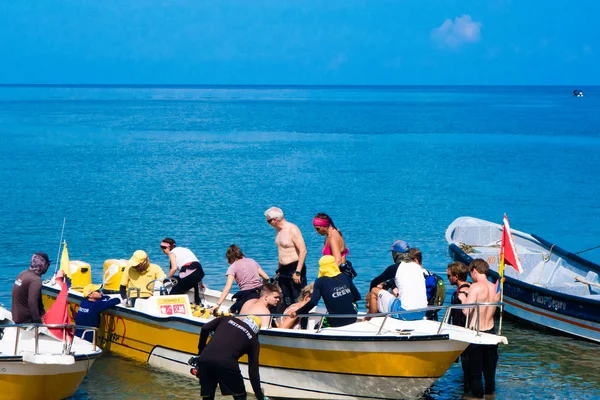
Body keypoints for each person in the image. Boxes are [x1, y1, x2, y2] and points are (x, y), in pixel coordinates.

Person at [196, 314, 265, 400]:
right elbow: (253, 371)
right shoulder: (253, 340)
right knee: (240, 396)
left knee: (207, 396)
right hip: (227, 364)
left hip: (205, 359)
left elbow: (205, 328)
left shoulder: (227, 319)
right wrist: (259, 396)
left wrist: (200, 353)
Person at [462, 259, 499, 397]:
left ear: (474, 271)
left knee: (475, 375)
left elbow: (466, 311)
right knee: (490, 376)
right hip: (491, 332)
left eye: (470, 273)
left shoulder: (476, 287)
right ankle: (490, 397)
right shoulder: (495, 287)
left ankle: (477, 398)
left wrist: (463, 299)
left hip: (476, 333)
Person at [291, 255, 361, 328]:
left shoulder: (320, 281)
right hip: (352, 318)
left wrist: (297, 312)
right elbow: (357, 296)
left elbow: (313, 302)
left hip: (336, 322)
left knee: (316, 327)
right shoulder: (345, 276)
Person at [369, 240, 427, 320]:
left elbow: (374, 282)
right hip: (422, 312)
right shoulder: (418, 268)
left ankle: (370, 319)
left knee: (374, 290)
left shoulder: (395, 268)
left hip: (404, 313)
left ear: (396, 254)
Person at [265, 207, 307, 311]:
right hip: (283, 269)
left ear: (275, 219)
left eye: (268, 221)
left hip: (294, 267)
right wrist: (278, 269)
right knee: (286, 299)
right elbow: (281, 251)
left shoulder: (292, 229)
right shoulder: (278, 230)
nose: (268, 223)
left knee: (298, 298)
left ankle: (302, 324)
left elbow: (303, 251)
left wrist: (298, 271)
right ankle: (288, 323)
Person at [212, 245, 270, 314]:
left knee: (232, 311)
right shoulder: (252, 261)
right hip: (260, 292)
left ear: (231, 258)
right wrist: (263, 288)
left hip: (246, 294)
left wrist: (218, 304)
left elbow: (228, 287)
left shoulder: (233, 267)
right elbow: (266, 277)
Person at [446, 261, 472, 394]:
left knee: (468, 369)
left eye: (449, 276)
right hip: (461, 332)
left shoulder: (465, 292)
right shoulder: (469, 288)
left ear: (456, 276)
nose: (448, 278)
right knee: (466, 370)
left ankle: (468, 394)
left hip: (464, 334)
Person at [160, 238, 205, 305]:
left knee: (173, 292)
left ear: (166, 248)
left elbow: (174, 268)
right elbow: (196, 267)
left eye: (162, 249)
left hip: (188, 270)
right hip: (199, 271)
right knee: (193, 282)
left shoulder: (171, 253)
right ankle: (197, 302)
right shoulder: (185, 250)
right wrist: (200, 284)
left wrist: (165, 279)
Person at [312, 212, 357, 279]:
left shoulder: (333, 238)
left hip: (337, 274)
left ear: (326, 226)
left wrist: (327, 279)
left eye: (318, 229)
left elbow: (338, 260)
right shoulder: (331, 233)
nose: (316, 231)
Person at [11, 252, 51, 323]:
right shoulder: (36, 280)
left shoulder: (23, 273)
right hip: (26, 321)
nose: (48, 267)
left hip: (16, 317)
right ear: (43, 264)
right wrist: (37, 322)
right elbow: (32, 302)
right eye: (48, 264)